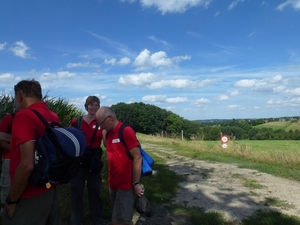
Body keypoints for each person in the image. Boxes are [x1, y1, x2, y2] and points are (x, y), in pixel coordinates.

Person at [2, 79, 61, 225]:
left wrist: (11, 200)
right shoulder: (52, 116)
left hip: (30, 193)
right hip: (51, 187)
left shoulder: (24, 116)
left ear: (20, 96)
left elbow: (27, 164)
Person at [95, 106, 144, 225]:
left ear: (110, 118)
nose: (101, 126)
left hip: (125, 185)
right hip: (113, 184)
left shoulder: (125, 131)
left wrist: (136, 184)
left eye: (101, 123)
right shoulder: (109, 132)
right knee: (120, 218)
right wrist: (104, 132)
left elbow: (137, 157)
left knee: (119, 221)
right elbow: (109, 148)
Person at [70, 96, 104, 225]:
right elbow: (70, 138)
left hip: (94, 162)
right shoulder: (77, 121)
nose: (94, 107)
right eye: (91, 105)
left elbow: (107, 140)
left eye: (96, 105)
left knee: (95, 191)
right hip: (78, 161)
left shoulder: (101, 123)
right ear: (86, 106)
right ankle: (76, 221)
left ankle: (97, 220)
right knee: (76, 190)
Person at [0, 113, 14, 215]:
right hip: (9, 160)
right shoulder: (10, 118)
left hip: (27, 160)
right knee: (6, 187)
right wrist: (15, 150)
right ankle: (3, 213)